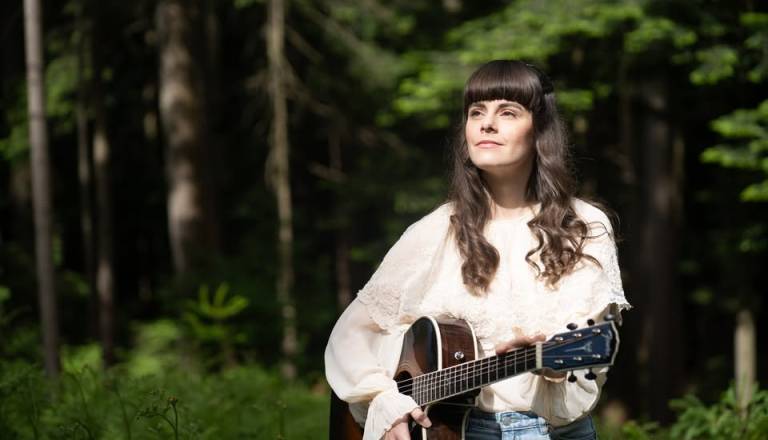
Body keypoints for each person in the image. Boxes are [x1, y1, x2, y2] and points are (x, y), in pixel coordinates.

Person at [324, 60, 631, 440]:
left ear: (540, 129)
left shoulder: (584, 226)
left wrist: (550, 364)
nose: (487, 124)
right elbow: (350, 335)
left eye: (508, 112)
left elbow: (588, 350)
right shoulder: (437, 231)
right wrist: (384, 399)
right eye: (476, 112)